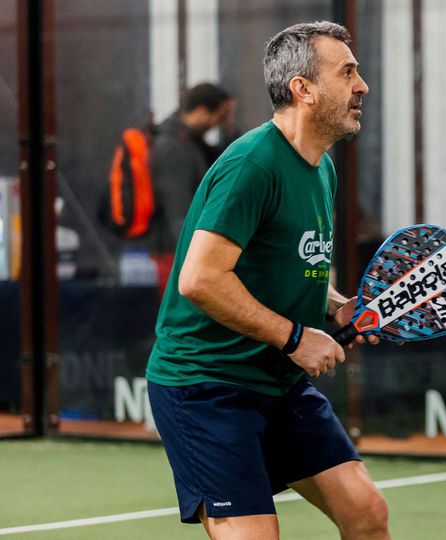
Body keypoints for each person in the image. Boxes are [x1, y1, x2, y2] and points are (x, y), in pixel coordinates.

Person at [146, 21, 389, 540]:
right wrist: (295, 337)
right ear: (303, 88)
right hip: (206, 384)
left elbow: (290, 264)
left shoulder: (320, 167)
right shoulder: (251, 164)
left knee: (367, 514)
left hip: (277, 380)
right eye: (347, 71)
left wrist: (337, 306)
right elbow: (200, 280)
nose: (362, 84)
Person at [148, 83, 239, 283]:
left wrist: (230, 128)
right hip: (174, 251)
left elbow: (227, 163)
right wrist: (193, 254)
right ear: (201, 111)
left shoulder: (189, 142)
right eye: (219, 116)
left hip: (181, 249)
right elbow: (177, 207)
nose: (217, 124)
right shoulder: (172, 146)